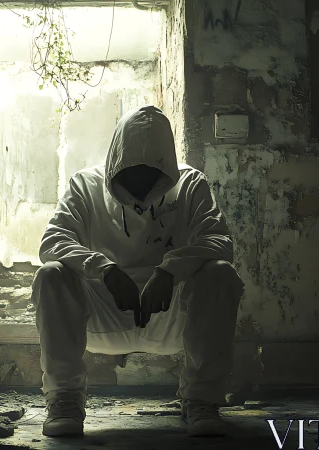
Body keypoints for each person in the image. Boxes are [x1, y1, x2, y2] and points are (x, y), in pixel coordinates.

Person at [31, 105, 244, 438]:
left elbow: (219, 241)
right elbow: (53, 241)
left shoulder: (190, 183)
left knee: (220, 273)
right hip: (103, 315)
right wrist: (104, 269)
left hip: (169, 317)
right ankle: (65, 400)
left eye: (151, 176)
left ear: (168, 169)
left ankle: (201, 399)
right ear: (115, 163)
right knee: (50, 274)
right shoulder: (85, 185)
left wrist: (169, 271)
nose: (140, 188)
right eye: (131, 175)